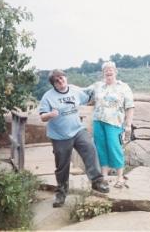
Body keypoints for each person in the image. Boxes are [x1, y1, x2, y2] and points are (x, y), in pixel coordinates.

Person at [39, 69, 109, 208]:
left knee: (90, 148)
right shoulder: (48, 97)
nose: (60, 81)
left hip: (77, 130)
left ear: (65, 77)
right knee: (62, 166)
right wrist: (50, 114)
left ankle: (97, 181)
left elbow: (88, 97)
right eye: (56, 80)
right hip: (60, 136)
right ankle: (61, 193)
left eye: (61, 77)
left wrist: (101, 87)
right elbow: (42, 116)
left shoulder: (75, 90)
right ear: (53, 84)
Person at [86, 61, 134, 189]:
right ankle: (104, 177)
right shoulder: (97, 86)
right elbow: (82, 93)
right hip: (98, 121)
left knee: (115, 148)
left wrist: (128, 125)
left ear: (115, 71)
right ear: (103, 73)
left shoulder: (124, 87)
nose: (108, 71)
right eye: (106, 69)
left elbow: (129, 107)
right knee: (100, 149)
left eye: (111, 69)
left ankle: (120, 177)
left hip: (115, 123)